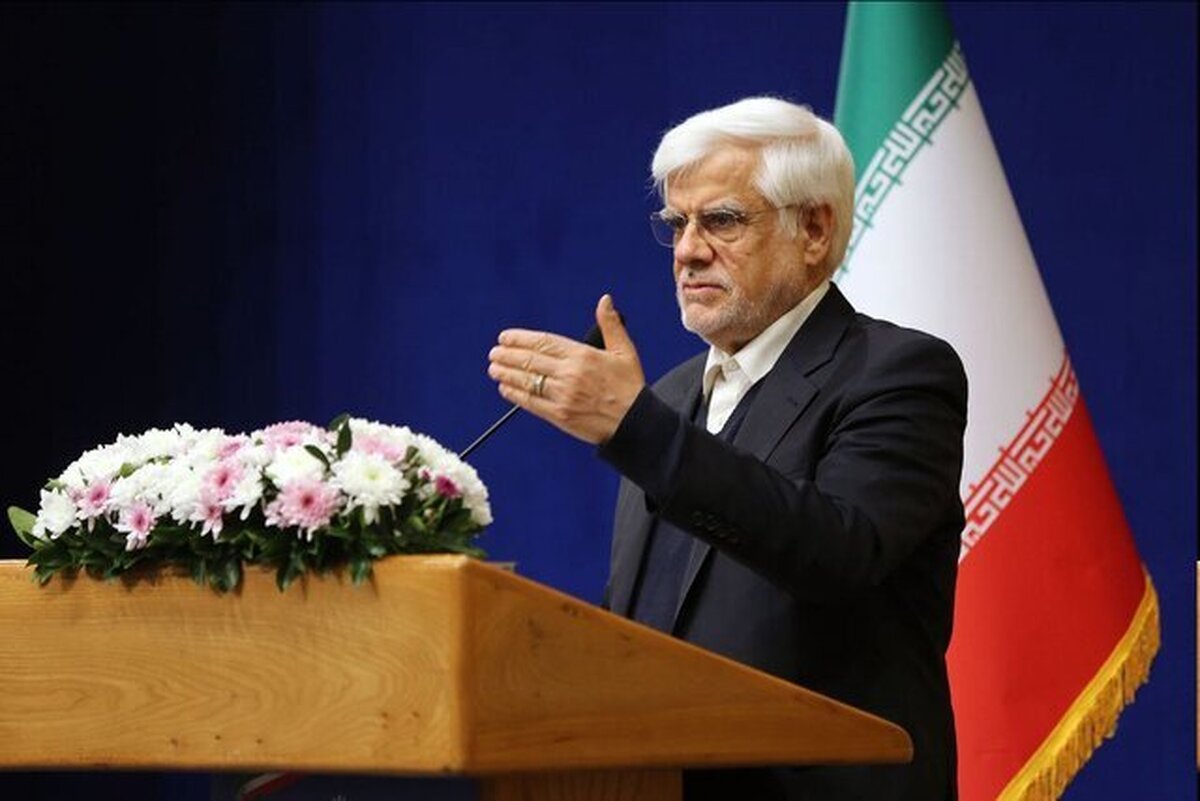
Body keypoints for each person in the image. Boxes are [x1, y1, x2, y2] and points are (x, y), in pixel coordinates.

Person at [486, 96, 967, 801]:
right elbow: (645, 626)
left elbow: (841, 551)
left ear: (814, 229)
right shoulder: (671, 396)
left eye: (722, 220)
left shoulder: (898, 373)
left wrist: (638, 430)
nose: (687, 250)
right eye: (677, 224)